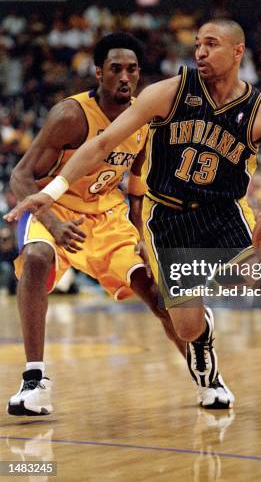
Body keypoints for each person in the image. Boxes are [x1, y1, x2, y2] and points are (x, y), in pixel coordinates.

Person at [5, 20, 261, 428]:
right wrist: (53, 192)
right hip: (170, 217)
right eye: (197, 44)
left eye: (210, 44)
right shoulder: (167, 93)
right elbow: (103, 143)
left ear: (237, 52)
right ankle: (200, 341)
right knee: (186, 323)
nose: (199, 52)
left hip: (225, 212)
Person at [5, 32, 234, 416]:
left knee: (160, 297)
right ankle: (34, 381)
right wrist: (51, 221)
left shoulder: (144, 119)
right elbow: (20, 176)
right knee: (38, 258)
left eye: (132, 69)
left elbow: (139, 182)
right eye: (115, 69)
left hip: (109, 216)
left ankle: (207, 377)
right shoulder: (70, 116)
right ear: (99, 73)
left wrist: (145, 235)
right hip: (57, 209)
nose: (125, 77)